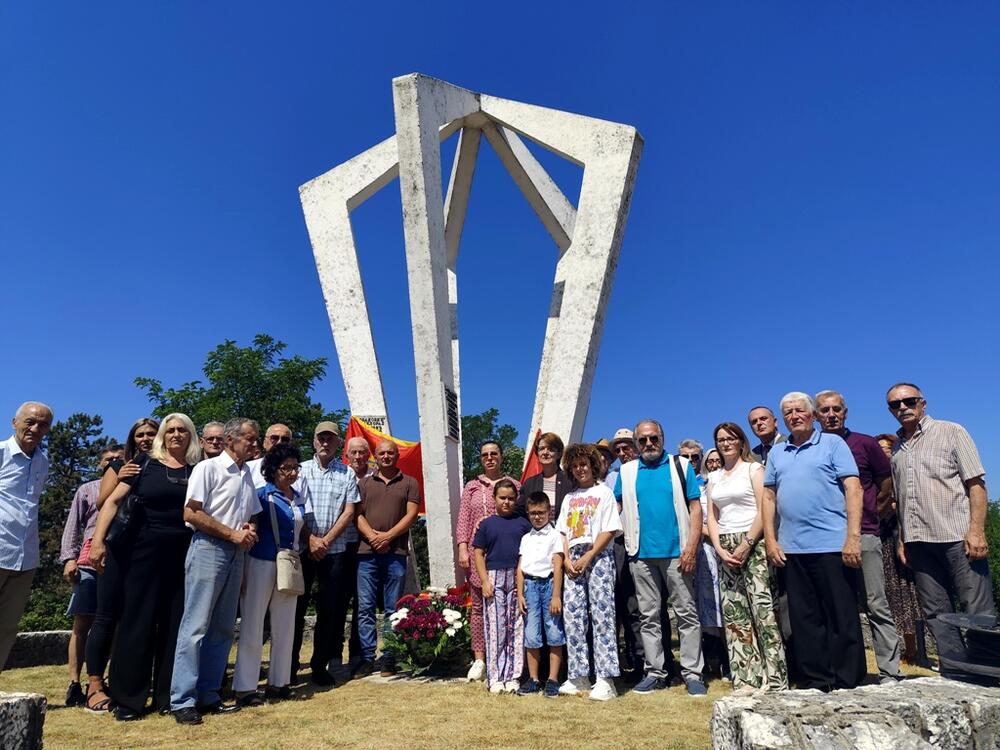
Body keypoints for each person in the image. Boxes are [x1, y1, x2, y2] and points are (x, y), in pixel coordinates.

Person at [90, 414, 200, 720]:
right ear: (163, 435)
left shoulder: (198, 469)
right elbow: (111, 502)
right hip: (143, 549)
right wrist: (98, 542)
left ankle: (167, 696)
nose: (177, 434)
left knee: (174, 623)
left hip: (183, 552)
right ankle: (128, 699)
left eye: (183, 430)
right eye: (171, 430)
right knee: (137, 620)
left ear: (191, 436)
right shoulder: (144, 463)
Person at [886, 382, 996, 674]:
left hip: (957, 537)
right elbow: (899, 500)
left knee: (977, 610)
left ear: (923, 403)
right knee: (936, 612)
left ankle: (987, 672)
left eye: (908, 401)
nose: (902, 408)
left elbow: (976, 484)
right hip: (918, 542)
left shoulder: (951, 432)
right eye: (895, 405)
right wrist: (901, 541)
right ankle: (956, 669)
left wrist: (977, 530)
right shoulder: (897, 448)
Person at [762, 392, 865, 691]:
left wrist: (853, 538)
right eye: (788, 413)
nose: (794, 416)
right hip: (792, 548)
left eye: (800, 411)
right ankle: (816, 680)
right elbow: (768, 497)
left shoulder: (833, 444)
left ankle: (847, 681)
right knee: (804, 619)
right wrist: (771, 540)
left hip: (832, 544)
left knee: (841, 616)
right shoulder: (778, 453)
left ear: (812, 415)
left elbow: (853, 489)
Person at [169, 417, 262, 725]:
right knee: (195, 625)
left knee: (223, 627)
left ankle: (209, 693)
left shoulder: (247, 473)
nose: (253, 443)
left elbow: (251, 515)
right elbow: (191, 512)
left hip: (236, 553)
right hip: (208, 548)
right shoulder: (207, 469)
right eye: (249, 438)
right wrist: (232, 533)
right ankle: (182, 699)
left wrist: (248, 528)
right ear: (231, 439)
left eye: (254, 438)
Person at [816, 390, 903, 684]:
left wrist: (872, 514)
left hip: (864, 533)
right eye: (824, 410)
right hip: (826, 538)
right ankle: (844, 669)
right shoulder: (814, 447)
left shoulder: (865, 443)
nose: (831, 415)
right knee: (837, 606)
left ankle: (890, 669)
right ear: (816, 415)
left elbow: (886, 483)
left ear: (845, 412)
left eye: (836, 409)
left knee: (876, 602)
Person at [615, 420, 706, 697]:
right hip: (640, 554)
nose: (648, 444)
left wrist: (691, 547)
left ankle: (693, 673)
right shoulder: (628, 471)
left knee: (686, 614)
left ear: (662, 438)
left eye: (653, 438)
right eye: (642, 440)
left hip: (677, 553)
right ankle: (655, 672)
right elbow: (616, 507)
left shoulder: (680, 466)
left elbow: (695, 507)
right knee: (648, 616)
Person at [705, 423, 787, 694]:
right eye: (720, 440)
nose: (726, 443)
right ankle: (747, 678)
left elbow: (765, 508)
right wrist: (719, 547)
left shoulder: (754, 469)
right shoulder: (714, 477)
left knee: (763, 612)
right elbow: (712, 517)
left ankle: (775, 678)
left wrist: (748, 543)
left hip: (753, 540)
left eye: (731, 438)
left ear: (741, 441)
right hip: (725, 544)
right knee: (735, 614)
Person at [84, 417, 158, 713]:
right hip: (117, 547)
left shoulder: (167, 468)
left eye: (151, 433)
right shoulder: (119, 467)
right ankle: (94, 684)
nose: (146, 438)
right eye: (140, 434)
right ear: (132, 439)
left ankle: (126, 682)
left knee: (136, 618)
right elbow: (103, 504)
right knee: (105, 615)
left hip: (147, 551)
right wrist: (122, 476)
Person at [233, 443, 312, 705]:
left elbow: (302, 529)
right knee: (253, 623)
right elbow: (249, 526)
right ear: (272, 470)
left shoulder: (299, 496)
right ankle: (245, 687)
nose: (291, 473)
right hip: (260, 562)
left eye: (295, 467)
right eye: (285, 468)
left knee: (285, 624)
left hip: (288, 564)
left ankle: (279, 683)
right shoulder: (260, 495)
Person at [294, 422, 361, 686]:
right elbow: (293, 505)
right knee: (296, 609)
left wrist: (325, 541)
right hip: (303, 548)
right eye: (321, 438)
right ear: (313, 441)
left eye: (330, 439)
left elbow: (349, 511)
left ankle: (319, 665)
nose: (325, 442)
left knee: (329, 611)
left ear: (337, 444)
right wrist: (310, 539)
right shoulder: (300, 470)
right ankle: (288, 665)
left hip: (334, 552)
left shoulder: (346, 473)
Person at [557, 443, 623, 701]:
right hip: (572, 559)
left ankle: (606, 678)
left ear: (593, 465)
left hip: (598, 556)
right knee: (574, 618)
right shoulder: (569, 498)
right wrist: (566, 560)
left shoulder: (604, 492)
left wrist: (590, 554)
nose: (579, 469)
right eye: (574, 466)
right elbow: (562, 530)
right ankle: (579, 675)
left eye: (583, 464)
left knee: (602, 615)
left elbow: (609, 529)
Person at [60, 444, 123, 707]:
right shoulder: (87, 489)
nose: (113, 462)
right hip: (88, 559)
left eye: (119, 458)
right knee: (83, 621)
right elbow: (73, 524)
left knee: (114, 622)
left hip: (118, 557)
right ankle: (74, 682)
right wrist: (69, 558)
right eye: (108, 459)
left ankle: (104, 678)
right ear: (100, 464)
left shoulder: (131, 483)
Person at [353, 439, 420, 678]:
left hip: (396, 553)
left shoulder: (410, 483)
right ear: (376, 456)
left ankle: (390, 657)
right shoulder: (364, 483)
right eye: (382, 453)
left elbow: (411, 515)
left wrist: (388, 537)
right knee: (365, 607)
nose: (386, 457)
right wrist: (373, 537)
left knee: (393, 608)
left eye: (391, 453)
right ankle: (367, 658)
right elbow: (356, 515)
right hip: (366, 553)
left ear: (397, 456)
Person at [456, 440, 520, 681]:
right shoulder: (472, 487)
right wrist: (463, 549)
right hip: (478, 554)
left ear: (501, 456)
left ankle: (508, 656)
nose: (490, 458)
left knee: (509, 608)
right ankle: (480, 658)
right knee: (479, 608)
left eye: (494, 453)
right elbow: (463, 519)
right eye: (485, 455)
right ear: (481, 459)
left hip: (506, 555)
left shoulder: (514, 485)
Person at [0, 402, 53, 675]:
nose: (35, 428)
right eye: (30, 422)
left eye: (43, 424)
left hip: (25, 557)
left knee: (8, 626)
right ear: (14, 422)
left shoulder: (43, 462)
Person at [874, 433, 930, 667]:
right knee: (890, 597)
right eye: (880, 450)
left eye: (888, 449)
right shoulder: (877, 480)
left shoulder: (904, 475)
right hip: (884, 541)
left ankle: (917, 650)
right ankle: (902, 651)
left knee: (913, 596)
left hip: (907, 540)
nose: (884, 453)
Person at [472, 479, 531, 693]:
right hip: (494, 578)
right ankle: (495, 677)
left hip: (517, 577)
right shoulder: (487, 524)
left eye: (511, 498)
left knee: (516, 627)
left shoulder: (523, 523)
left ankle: (513, 676)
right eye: (502, 498)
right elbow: (478, 553)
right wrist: (485, 580)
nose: (506, 502)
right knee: (496, 628)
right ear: (494, 499)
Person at [515, 491, 566, 698]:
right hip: (530, 587)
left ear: (548, 512)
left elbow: (558, 565)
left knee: (554, 632)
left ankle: (553, 679)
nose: (537, 517)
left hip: (548, 585)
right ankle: (534, 679)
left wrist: (556, 595)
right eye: (533, 513)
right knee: (531, 634)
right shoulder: (526, 538)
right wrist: (520, 595)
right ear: (528, 513)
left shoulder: (555, 536)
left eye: (541, 513)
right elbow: (520, 568)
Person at [688, 444, 727, 681]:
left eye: (717, 460)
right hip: (703, 551)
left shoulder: (726, 484)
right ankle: (711, 660)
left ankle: (729, 659)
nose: (713, 464)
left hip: (725, 547)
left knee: (725, 604)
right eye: (709, 461)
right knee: (705, 607)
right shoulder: (698, 488)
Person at [517, 432, 573, 522]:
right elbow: (520, 512)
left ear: (559, 454)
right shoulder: (529, 483)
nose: (545, 452)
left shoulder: (570, 481)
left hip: (561, 534)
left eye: (550, 449)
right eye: (541, 449)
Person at [248, 423, 293, 489]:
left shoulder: (299, 474)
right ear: (264, 442)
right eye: (274, 438)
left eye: (285, 439)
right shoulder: (248, 469)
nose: (279, 442)